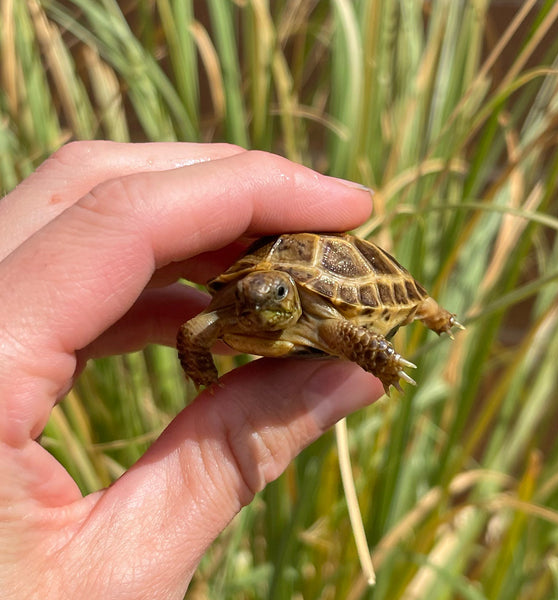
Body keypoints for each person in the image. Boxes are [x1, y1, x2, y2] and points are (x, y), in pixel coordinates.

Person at [0, 141, 383, 598]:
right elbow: (194, 330)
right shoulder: (235, 308)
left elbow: (350, 335)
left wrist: (382, 360)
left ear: (290, 295)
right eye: (248, 297)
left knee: (358, 343)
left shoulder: (316, 312)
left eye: (274, 297)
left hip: (321, 313)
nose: (260, 306)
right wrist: (206, 377)